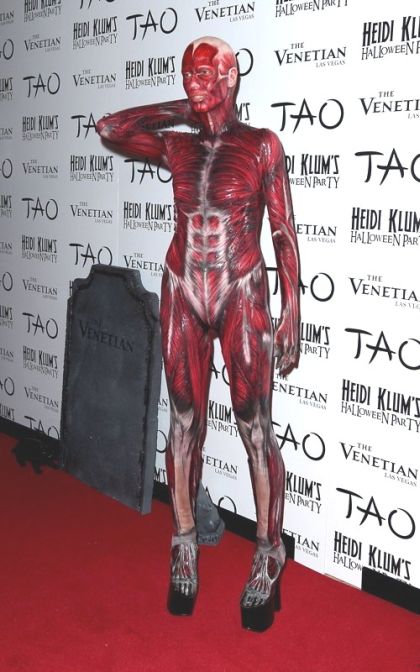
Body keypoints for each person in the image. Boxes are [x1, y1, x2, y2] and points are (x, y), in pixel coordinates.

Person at [96, 35, 300, 632]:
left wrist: (292, 307)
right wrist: (184, 109)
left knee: (254, 425)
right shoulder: (177, 146)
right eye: (188, 72)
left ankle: (268, 551)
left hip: (240, 286)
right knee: (184, 419)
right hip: (184, 284)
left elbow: (282, 230)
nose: (194, 79)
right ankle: (183, 540)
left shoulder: (261, 145)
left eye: (205, 72)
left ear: (231, 76)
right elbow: (110, 128)